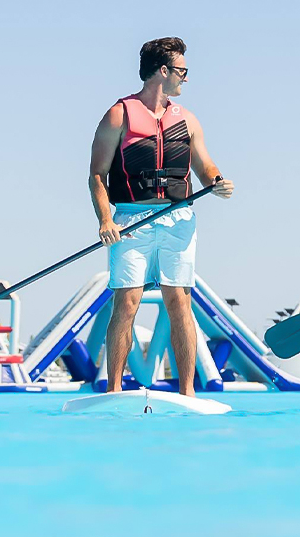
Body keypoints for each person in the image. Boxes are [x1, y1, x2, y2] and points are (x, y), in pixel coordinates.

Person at [89, 37, 234, 396]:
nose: (186, 78)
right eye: (182, 71)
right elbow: (96, 175)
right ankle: (114, 390)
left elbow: (204, 165)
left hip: (178, 219)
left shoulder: (187, 119)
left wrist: (216, 181)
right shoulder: (119, 115)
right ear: (163, 71)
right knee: (127, 300)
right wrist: (106, 220)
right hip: (129, 221)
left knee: (179, 300)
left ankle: (187, 392)